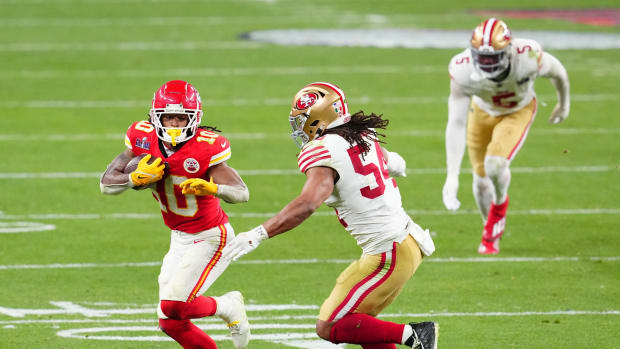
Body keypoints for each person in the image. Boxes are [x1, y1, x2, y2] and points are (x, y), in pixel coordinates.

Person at [221, 82, 438, 349]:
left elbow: (308, 203)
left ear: (318, 117)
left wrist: (258, 234)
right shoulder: (362, 134)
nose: (300, 126)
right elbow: (392, 161)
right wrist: (393, 168)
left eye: (303, 119)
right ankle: (411, 336)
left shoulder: (323, 150)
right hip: (405, 243)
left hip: (388, 252)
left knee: (330, 326)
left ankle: (416, 335)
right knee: (361, 324)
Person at [100, 80, 251, 349]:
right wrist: (132, 179)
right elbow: (106, 183)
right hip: (179, 236)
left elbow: (242, 192)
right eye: (167, 117)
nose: (173, 124)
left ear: (193, 119)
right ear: (155, 116)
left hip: (210, 236)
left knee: (173, 305)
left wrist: (213, 188)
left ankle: (228, 305)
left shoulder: (206, 146)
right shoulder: (142, 138)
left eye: (180, 118)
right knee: (170, 322)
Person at [442, 18, 570, 254]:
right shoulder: (461, 67)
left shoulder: (528, 55)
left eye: (493, 58)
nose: (488, 64)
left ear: (509, 50)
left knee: (495, 164)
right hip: (482, 112)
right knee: (480, 183)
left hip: (517, 110)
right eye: (483, 58)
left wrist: (564, 104)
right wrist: (452, 176)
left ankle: (499, 204)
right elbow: (456, 122)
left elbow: (558, 72)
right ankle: (489, 227)